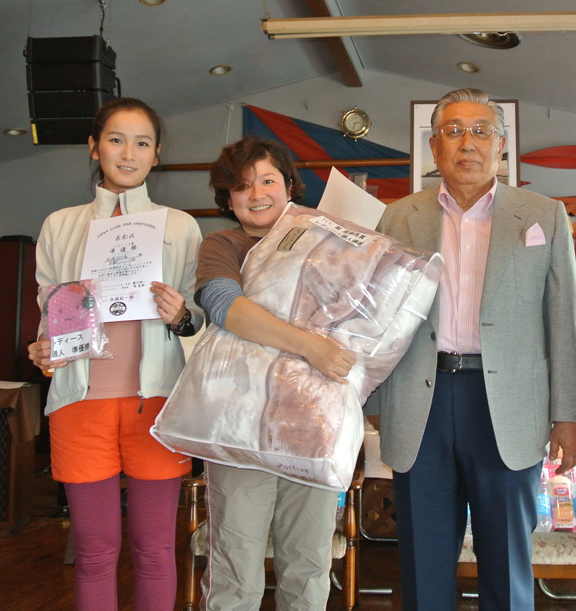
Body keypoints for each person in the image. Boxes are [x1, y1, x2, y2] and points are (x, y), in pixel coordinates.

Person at [373, 88, 576, 611]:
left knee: (507, 560)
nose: (467, 143)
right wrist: (376, 401)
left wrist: (568, 414)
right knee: (423, 560)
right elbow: (376, 317)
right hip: (420, 401)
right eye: (452, 131)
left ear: (501, 145)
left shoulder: (543, 215)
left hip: (508, 406)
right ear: (434, 147)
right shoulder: (397, 218)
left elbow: (563, 320)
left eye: (480, 131)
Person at [28, 97, 203, 611]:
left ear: (156, 154)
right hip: (79, 404)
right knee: (94, 553)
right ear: (94, 147)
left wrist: (181, 315)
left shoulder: (180, 226)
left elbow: (199, 319)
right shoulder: (60, 225)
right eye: (116, 140)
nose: (129, 154)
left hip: (157, 404)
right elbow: (49, 308)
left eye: (142, 143)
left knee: (155, 550)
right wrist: (44, 349)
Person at [193, 136, 356, 611]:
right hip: (238, 423)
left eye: (268, 181)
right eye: (243, 186)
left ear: (289, 186)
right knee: (236, 565)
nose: (257, 194)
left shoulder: (325, 245)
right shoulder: (222, 244)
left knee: (308, 564)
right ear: (228, 199)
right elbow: (226, 307)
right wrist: (310, 346)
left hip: (312, 423)